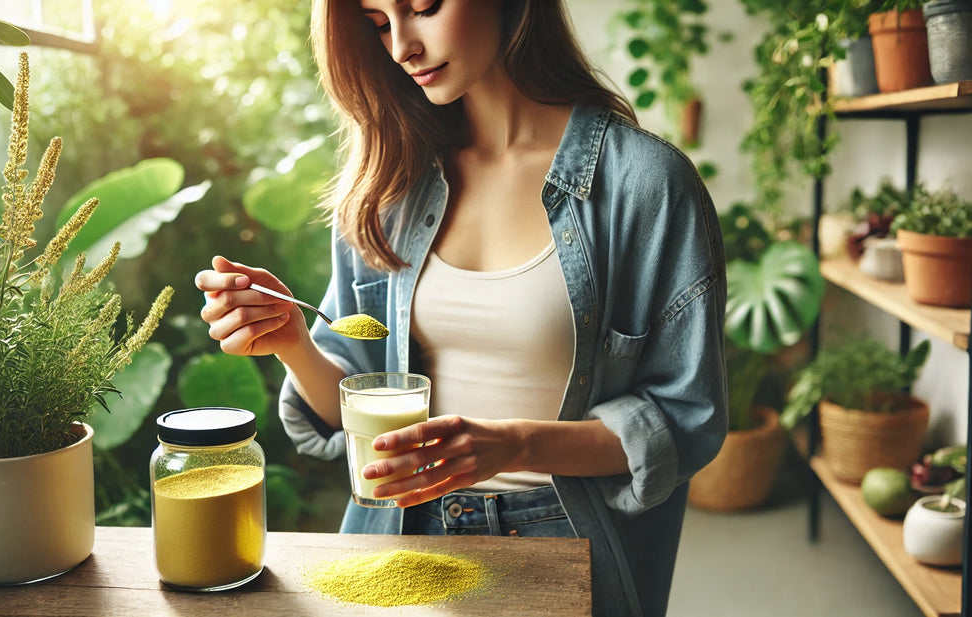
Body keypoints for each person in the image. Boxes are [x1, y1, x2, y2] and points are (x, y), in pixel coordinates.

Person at [195, 1, 728, 615]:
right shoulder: (387, 184)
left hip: (563, 538)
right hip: (400, 538)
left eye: (422, 7)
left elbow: (684, 420)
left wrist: (515, 445)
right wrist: (291, 341)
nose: (401, 47)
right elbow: (355, 415)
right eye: (377, 23)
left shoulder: (644, 185)